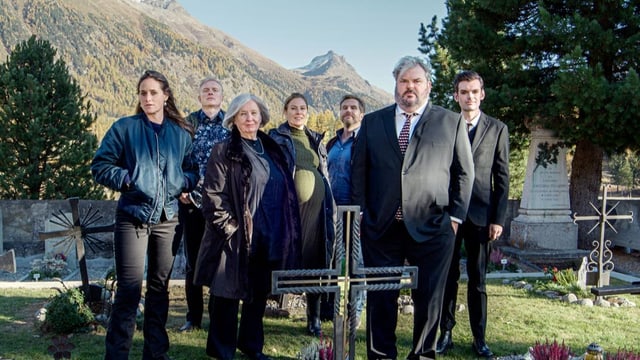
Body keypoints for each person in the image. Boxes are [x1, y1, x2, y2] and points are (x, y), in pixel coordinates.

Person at [351, 56, 474, 360]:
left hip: (434, 227)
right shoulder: (373, 122)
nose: (410, 87)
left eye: (416, 81)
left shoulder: (450, 121)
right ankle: (381, 355)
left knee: (430, 298)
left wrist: (455, 218)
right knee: (381, 297)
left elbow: (464, 172)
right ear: (395, 84)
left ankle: (422, 355)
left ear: (428, 85)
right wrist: (363, 213)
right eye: (404, 81)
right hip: (381, 227)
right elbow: (359, 171)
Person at [91, 70, 199, 360]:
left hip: (169, 220)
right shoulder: (124, 128)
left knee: (159, 290)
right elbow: (100, 165)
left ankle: (156, 354)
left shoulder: (181, 133)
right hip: (132, 218)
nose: (148, 98)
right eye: (143, 93)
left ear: (166, 95)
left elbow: (192, 170)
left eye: (153, 92)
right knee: (127, 291)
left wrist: (183, 183)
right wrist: (128, 180)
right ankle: (117, 356)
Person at [193, 93, 301, 360]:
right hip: (234, 236)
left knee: (257, 296)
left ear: (262, 117)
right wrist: (230, 229)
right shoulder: (224, 149)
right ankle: (221, 350)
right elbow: (212, 196)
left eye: (253, 113)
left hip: (267, 234)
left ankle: (251, 346)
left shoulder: (272, 149)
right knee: (226, 295)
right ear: (234, 118)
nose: (249, 118)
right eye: (243, 114)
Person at [436, 70, 510, 358]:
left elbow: (502, 178)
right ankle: (446, 333)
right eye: (463, 91)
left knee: (478, 280)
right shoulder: (444, 126)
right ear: (456, 96)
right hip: (448, 213)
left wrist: (498, 219)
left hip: (481, 215)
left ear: (482, 94)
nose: (469, 96)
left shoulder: (497, 129)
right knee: (448, 276)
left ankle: (479, 338)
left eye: (474, 91)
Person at [269, 92, 335, 336]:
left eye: (302, 108)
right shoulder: (276, 138)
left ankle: (314, 318)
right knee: (283, 258)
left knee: (316, 260)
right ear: (285, 112)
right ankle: (261, 311)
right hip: (289, 213)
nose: (298, 112)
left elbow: (323, 172)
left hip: (318, 211)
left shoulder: (315, 139)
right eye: (293, 108)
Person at [177, 77, 230, 333]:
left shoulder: (231, 125)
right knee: (193, 262)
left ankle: (218, 317)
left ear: (222, 97)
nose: (210, 93)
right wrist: (181, 189)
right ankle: (193, 317)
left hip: (222, 206)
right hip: (192, 203)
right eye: (205, 91)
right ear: (199, 97)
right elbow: (177, 160)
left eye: (215, 90)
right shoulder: (187, 124)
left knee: (221, 261)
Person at [326, 94, 366, 328]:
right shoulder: (332, 143)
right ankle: (336, 311)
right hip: (333, 212)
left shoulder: (365, 142)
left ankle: (356, 313)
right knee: (336, 264)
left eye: (353, 107)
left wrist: (365, 211)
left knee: (357, 265)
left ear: (361, 113)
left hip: (356, 213)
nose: (348, 111)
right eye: (344, 107)